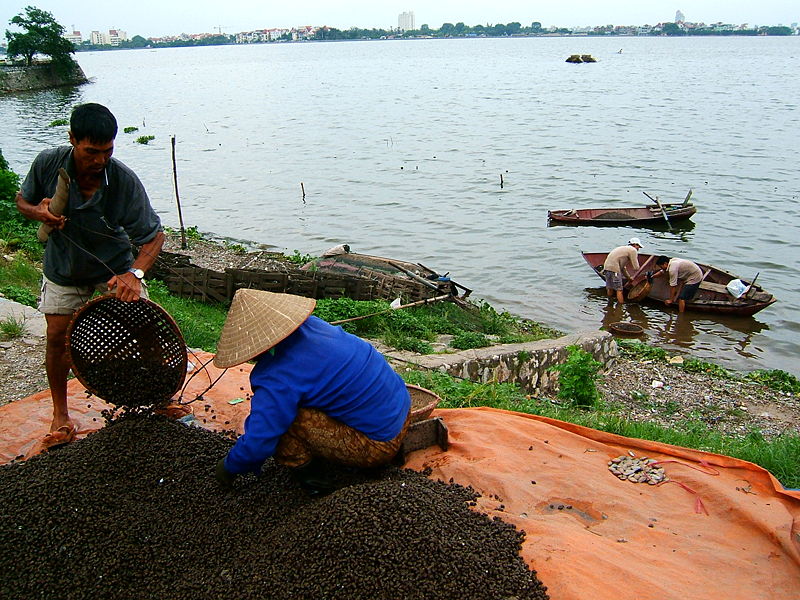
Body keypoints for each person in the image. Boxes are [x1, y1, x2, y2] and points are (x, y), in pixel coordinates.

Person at [15, 103, 165, 451]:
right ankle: (60, 414)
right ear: (72, 140)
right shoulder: (48, 163)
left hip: (113, 269)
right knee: (56, 337)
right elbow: (23, 201)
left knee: (146, 326)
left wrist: (135, 274)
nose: (99, 160)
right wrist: (38, 211)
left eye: (107, 151)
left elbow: (154, 237)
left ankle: (160, 396)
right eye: (91, 152)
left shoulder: (123, 180)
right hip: (64, 267)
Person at [213, 289, 412, 495]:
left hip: (378, 444)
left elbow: (259, 441)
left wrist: (229, 467)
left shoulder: (275, 376)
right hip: (404, 411)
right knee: (300, 400)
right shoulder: (315, 325)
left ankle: (316, 484)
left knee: (285, 424)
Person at [602, 238, 642, 304]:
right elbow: (636, 267)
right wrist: (639, 269)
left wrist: (629, 278)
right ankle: (620, 307)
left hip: (606, 267)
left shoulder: (623, 248)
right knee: (619, 290)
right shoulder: (633, 250)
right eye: (638, 246)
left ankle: (609, 303)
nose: (638, 249)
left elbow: (623, 268)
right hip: (614, 269)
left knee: (610, 287)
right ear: (635, 245)